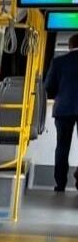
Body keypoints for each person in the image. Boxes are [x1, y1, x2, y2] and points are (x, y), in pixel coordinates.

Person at [48, 34, 78, 191]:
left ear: (69, 46)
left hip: (63, 109)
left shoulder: (58, 62)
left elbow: (49, 87)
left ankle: (60, 184)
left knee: (62, 147)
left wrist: (60, 95)